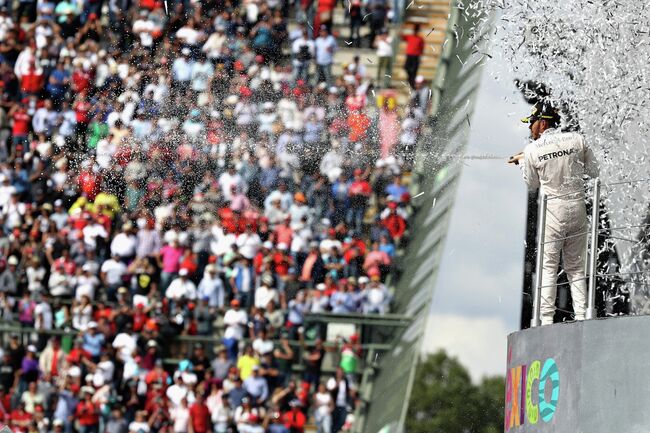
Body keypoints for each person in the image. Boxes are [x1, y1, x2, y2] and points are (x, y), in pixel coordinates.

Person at [509, 102, 599, 325]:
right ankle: (582, 317)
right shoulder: (577, 139)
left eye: (531, 123)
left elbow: (531, 184)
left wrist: (522, 163)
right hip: (578, 206)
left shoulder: (531, 150)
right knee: (577, 267)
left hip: (554, 211)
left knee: (549, 266)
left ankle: (546, 319)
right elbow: (593, 171)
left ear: (541, 123)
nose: (530, 128)